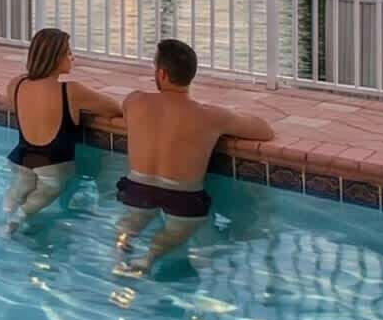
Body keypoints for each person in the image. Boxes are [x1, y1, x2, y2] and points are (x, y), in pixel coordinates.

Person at [113, 37, 276, 275]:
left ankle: (120, 250)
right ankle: (149, 258)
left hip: (137, 190)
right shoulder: (209, 117)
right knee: (176, 233)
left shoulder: (135, 101)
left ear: (162, 74)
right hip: (183, 199)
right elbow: (265, 131)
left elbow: (130, 117)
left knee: (130, 224)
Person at [3, 28, 123, 224]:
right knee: (46, 192)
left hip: (20, 159)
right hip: (53, 167)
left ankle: (5, 214)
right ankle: (15, 221)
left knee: (19, 190)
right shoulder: (71, 91)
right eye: (68, 52)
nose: (72, 58)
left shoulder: (16, 84)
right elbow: (115, 108)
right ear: (56, 58)